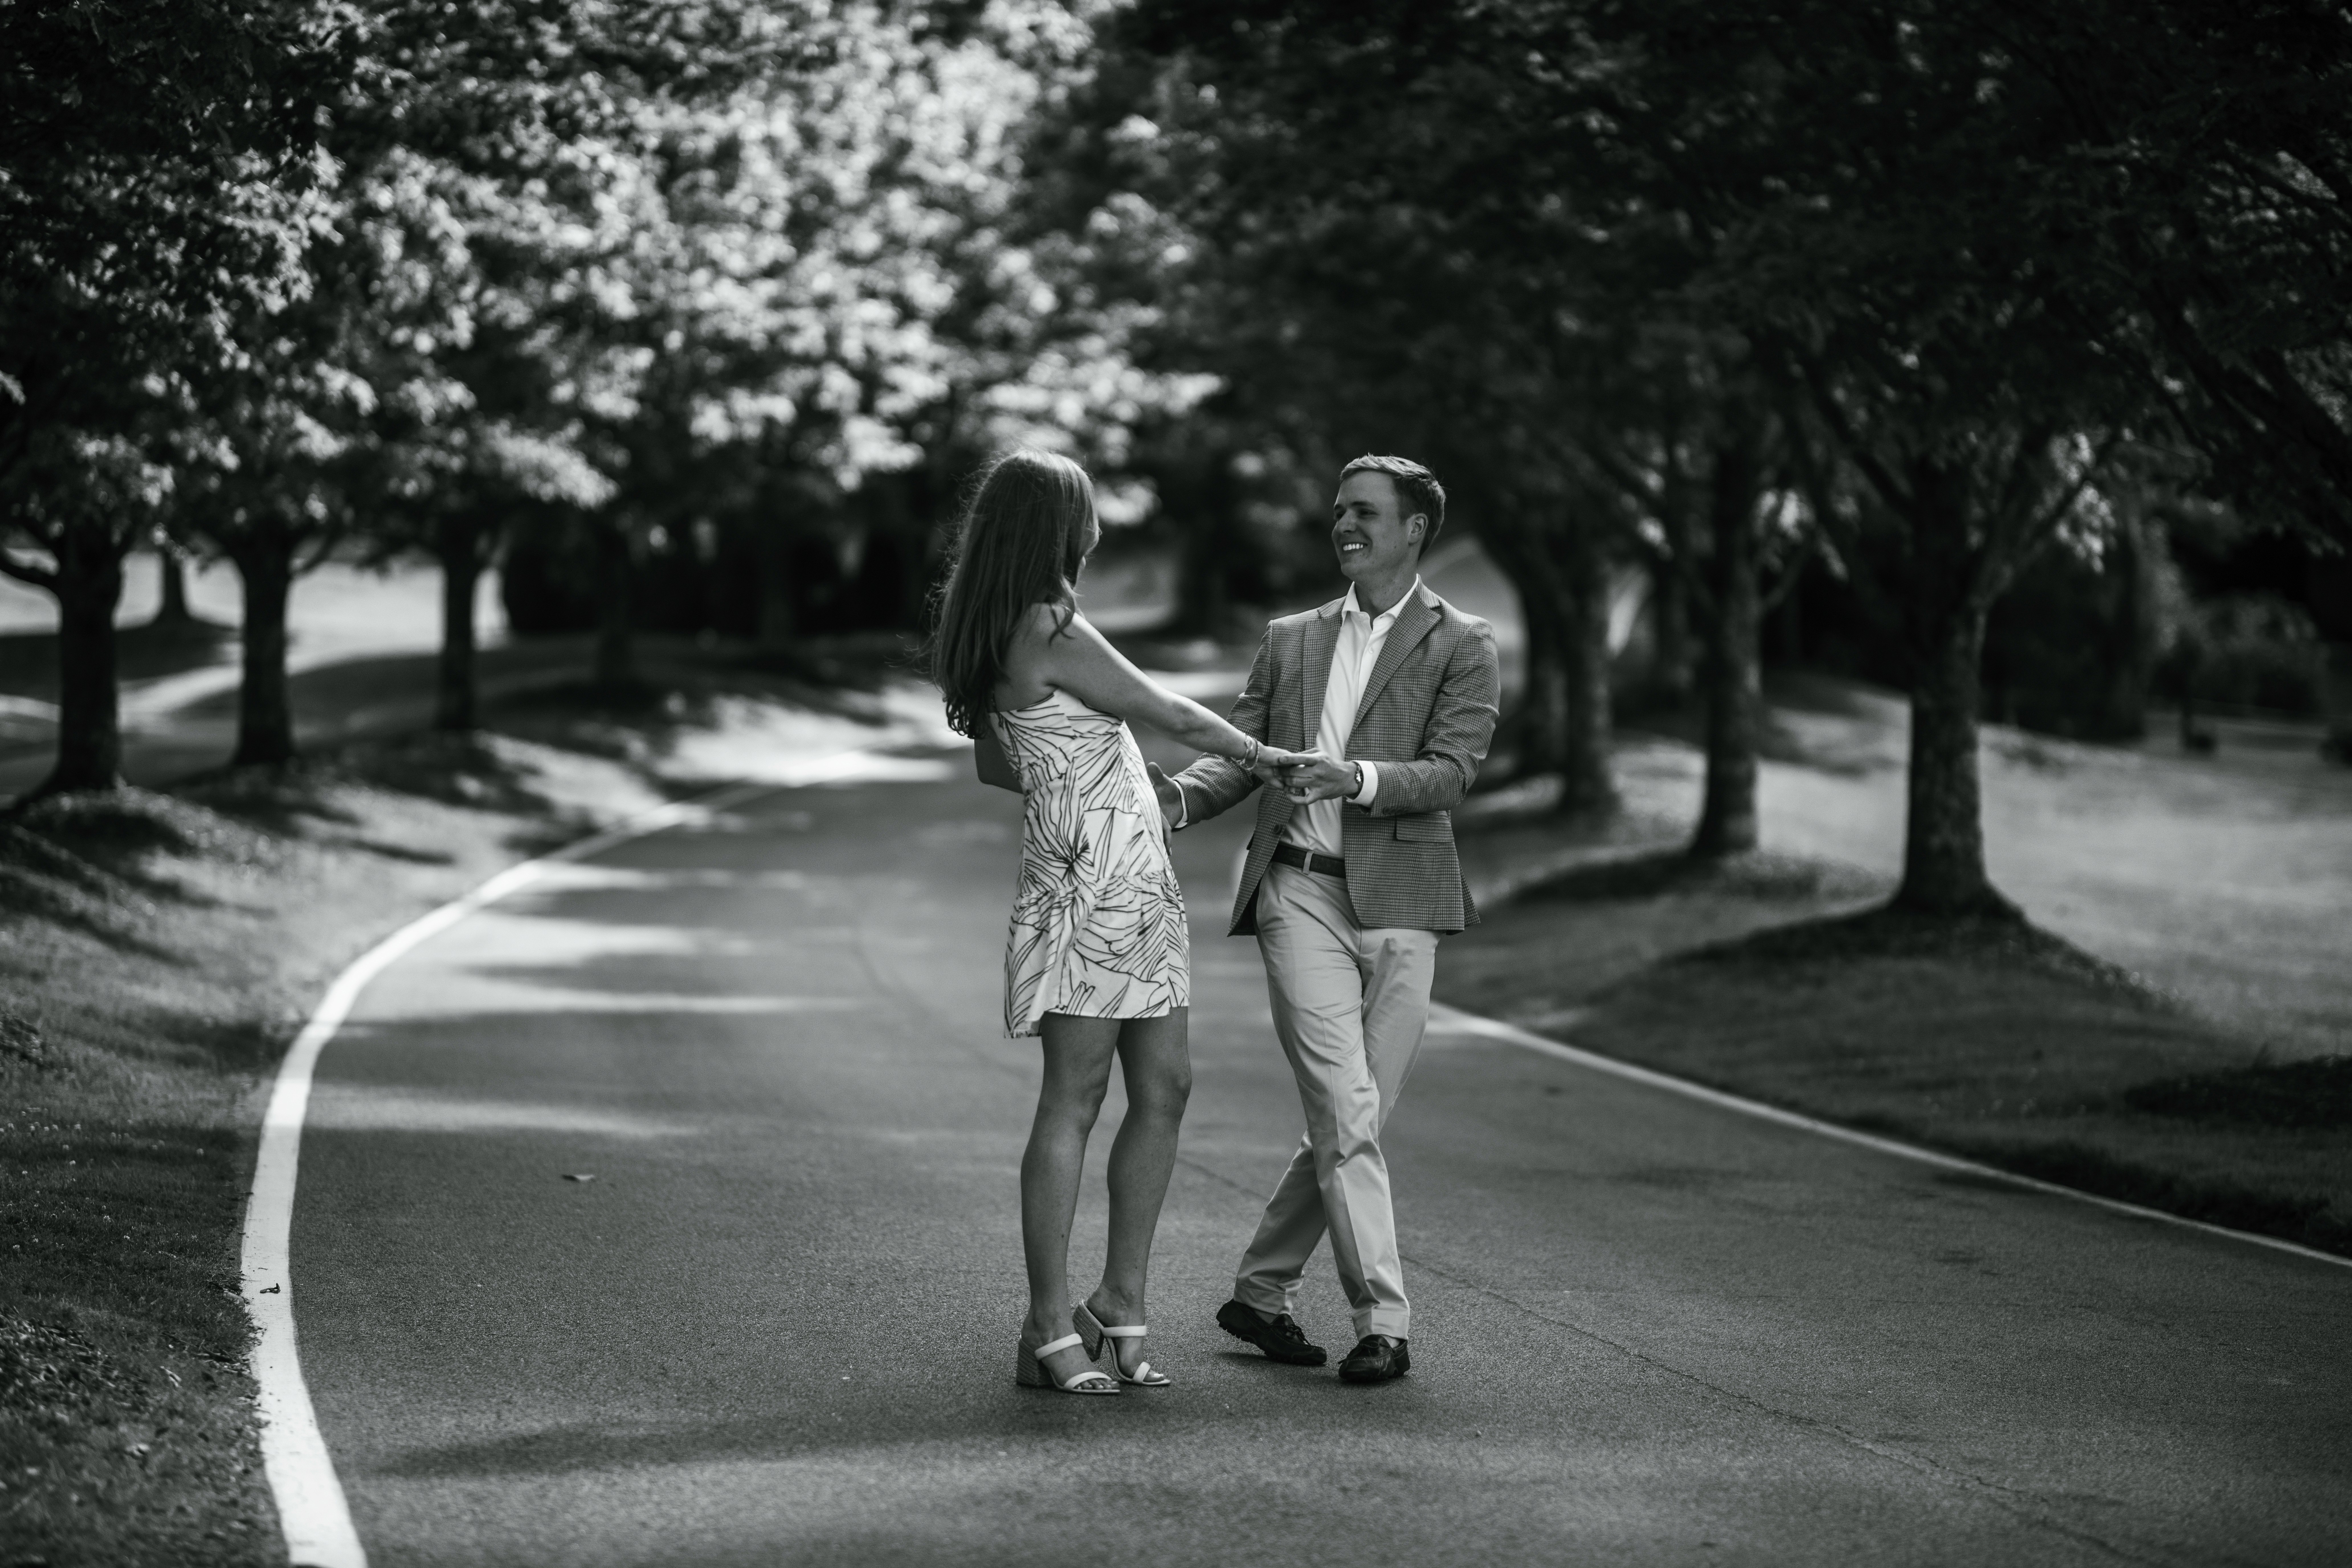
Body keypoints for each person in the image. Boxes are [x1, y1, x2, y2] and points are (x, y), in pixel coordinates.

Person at [928, 448, 1317, 1396]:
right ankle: (1046, 1325)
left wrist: (1078, 779)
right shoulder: (1050, 623)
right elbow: (1165, 708)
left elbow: (997, 764)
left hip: (1129, 878)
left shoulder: (991, 624)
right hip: (1094, 886)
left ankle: (1120, 1304)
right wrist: (1265, 755)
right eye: (1088, 513)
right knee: (1076, 1096)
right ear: (1063, 527)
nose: (1098, 527)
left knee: (1167, 1086)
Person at [1153, 454, 1499, 1385]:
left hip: (1405, 899)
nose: (1344, 526)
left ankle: (1260, 1294)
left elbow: (1455, 770)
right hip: (1297, 890)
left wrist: (1358, 779)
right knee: (1347, 1110)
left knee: (1354, 1121)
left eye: (1365, 513)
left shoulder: (1463, 641)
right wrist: (1177, 804)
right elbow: (1241, 755)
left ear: (1415, 527)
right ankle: (1383, 1321)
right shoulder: (1292, 637)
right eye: (1339, 512)